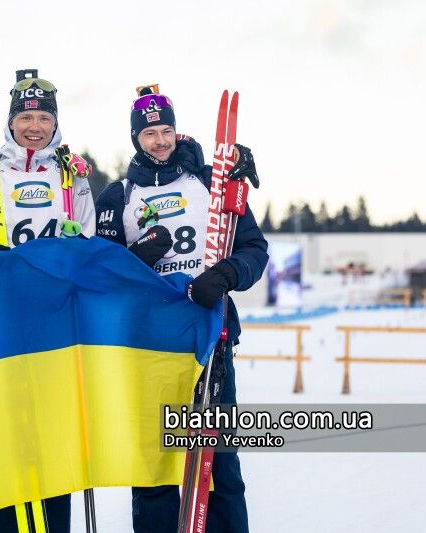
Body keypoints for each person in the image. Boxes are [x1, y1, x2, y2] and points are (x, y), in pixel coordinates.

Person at [95, 89, 268, 533]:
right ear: (136, 138)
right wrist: (137, 260)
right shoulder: (119, 196)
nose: (159, 141)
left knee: (219, 466)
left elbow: (254, 249)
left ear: (176, 130)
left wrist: (226, 274)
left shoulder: (210, 182)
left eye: (165, 130)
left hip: (210, 338)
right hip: (149, 345)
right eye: (149, 133)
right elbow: (103, 276)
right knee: (155, 469)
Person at [0, 69, 95, 533]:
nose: (33, 126)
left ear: (54, 124)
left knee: (53, 440)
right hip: (1, 320)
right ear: (11, 121)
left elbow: (88, 238)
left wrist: (74, 257)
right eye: (25, 116)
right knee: (4, 436)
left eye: (43, 118)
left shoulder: (73, 174)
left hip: (55, 323)